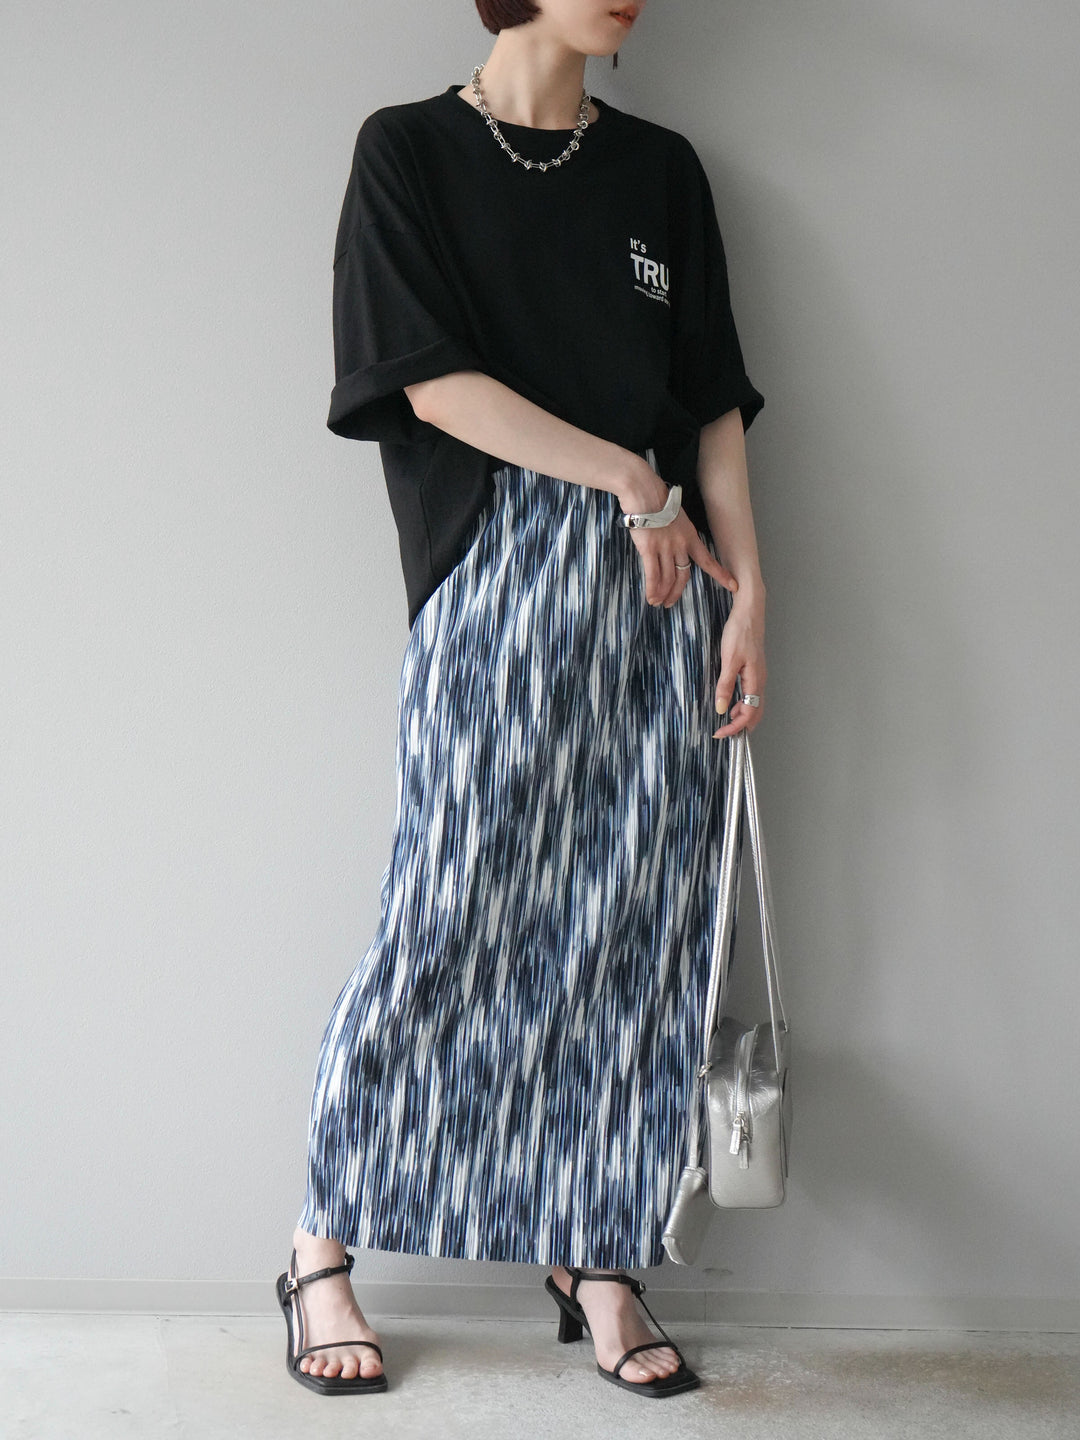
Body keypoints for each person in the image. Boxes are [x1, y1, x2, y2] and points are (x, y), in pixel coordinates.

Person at [276, 0, 768, 1402]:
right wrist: (623, 476)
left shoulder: (661, 170)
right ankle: (319, 1245)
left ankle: (596, 1254)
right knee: (449, 909)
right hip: (497, 568)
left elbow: (710, 398)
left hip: (666, 590)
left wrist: (755, 589)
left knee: (636, 926)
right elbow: (426, 382)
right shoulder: (410, 150)